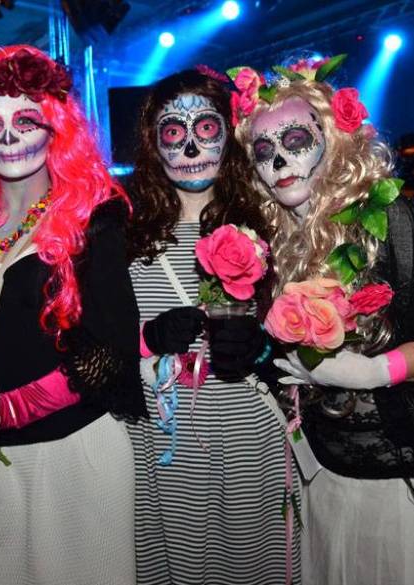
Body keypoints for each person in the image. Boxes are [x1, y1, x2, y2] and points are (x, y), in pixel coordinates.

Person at [231, 58, 414, 584]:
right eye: (263, 150)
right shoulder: (275, 243)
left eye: (295, 140)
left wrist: (378, 371)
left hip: (412, 486)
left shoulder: (386, 218)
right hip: (329, 480)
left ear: (332, 140)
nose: (279, 159)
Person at [0, 45, 143, 585]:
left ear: (56, 128)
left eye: (25, 121)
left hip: (74, 453)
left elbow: (112, 355)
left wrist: (8, 409)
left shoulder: (94, 218)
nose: (8, 138)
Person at [124, 68, 298, 584]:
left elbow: (301, 338)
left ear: (229, 135)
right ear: (153, 143)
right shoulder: (124, 233)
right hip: (161, 446)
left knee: (251, 567)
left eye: (205, 128)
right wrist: (146, 339)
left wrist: (263, 348)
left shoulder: (272, 223)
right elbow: (93, 343)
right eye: (174, 132)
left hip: (247, 439)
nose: (191, 147)